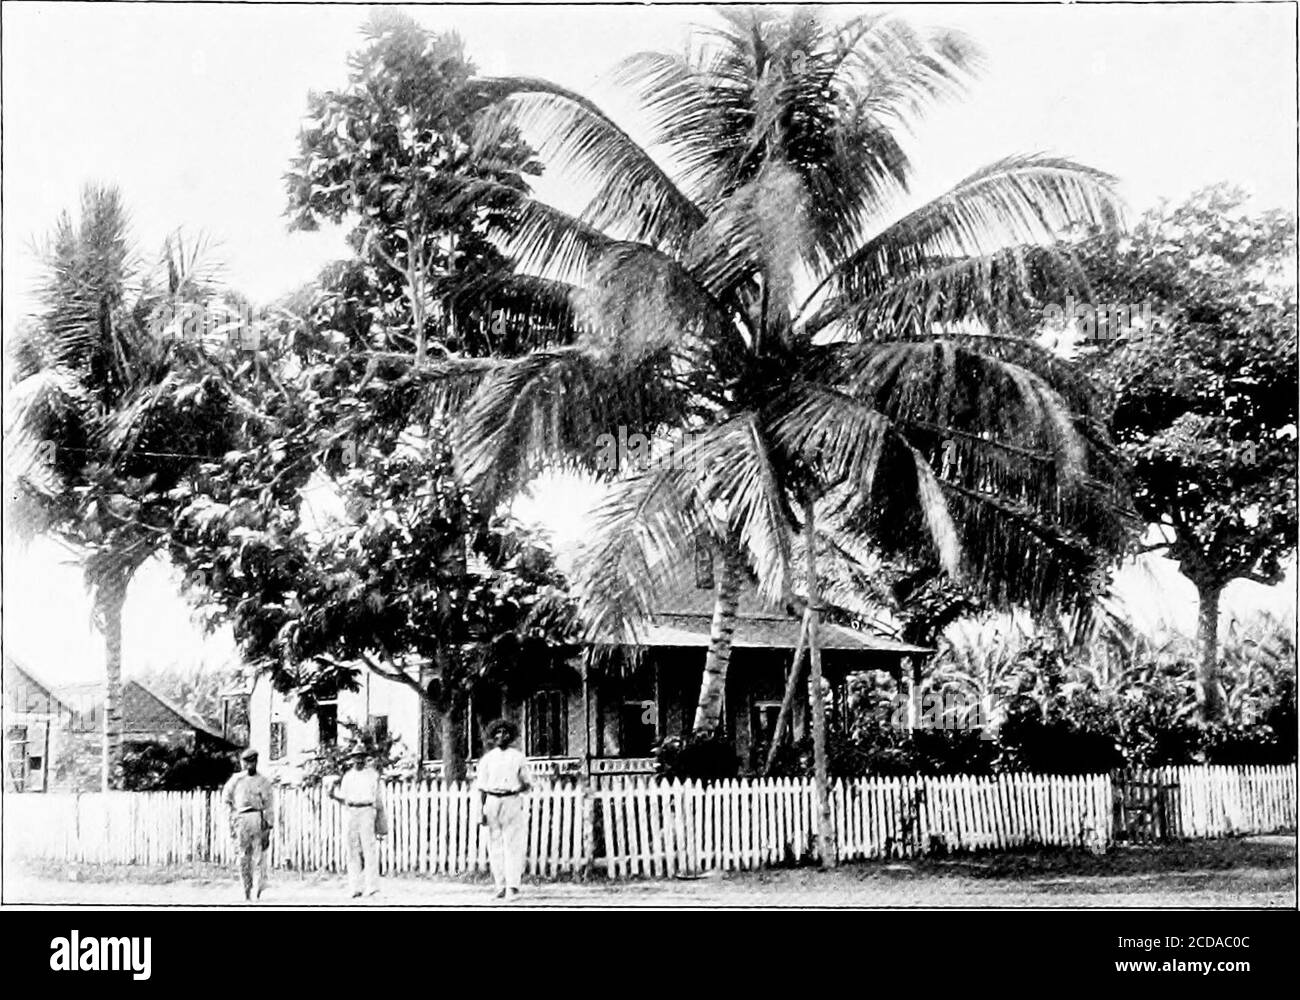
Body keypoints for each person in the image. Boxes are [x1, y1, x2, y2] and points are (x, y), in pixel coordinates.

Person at [475, 719, 532, 900]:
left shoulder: (518, 757)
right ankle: (500, 885)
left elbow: (527, 783)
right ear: (492, 737)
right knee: (494, 844)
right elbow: (482, 788)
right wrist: (481, 812)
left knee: (512, 844)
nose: (501, 736)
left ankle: (512, 887)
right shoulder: (487, 759)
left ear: (511, 736)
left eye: (505, 733)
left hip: (511, 800)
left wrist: (518, 788)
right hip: (492, 801)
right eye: (497, 733)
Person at [328, 747, 388, 898]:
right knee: (352, 849)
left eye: (361, 757)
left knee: (369, 849)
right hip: (351, 812)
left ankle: (372, 887)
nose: (359, 760)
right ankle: (355, 887)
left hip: (367, 811)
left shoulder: (372, 775)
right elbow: (344, 798)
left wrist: (381, 822)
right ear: (352, 759)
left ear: (365, 758)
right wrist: (332, 795)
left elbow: (378, 799)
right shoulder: (348, 777)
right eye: (356, 757)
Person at [222, 748, 274, 901]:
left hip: (257, 817)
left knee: (259, 856)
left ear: (256, 762)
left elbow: (269, 805)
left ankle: (258, 890)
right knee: (243, 856)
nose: (248, 765)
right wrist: (231, 817)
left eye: (251, 762)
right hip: (241, 817)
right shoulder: (236, 780)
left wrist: (268, 826)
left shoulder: (263, 781)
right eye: (245, 762)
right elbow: (226, 799)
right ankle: (246, 890)